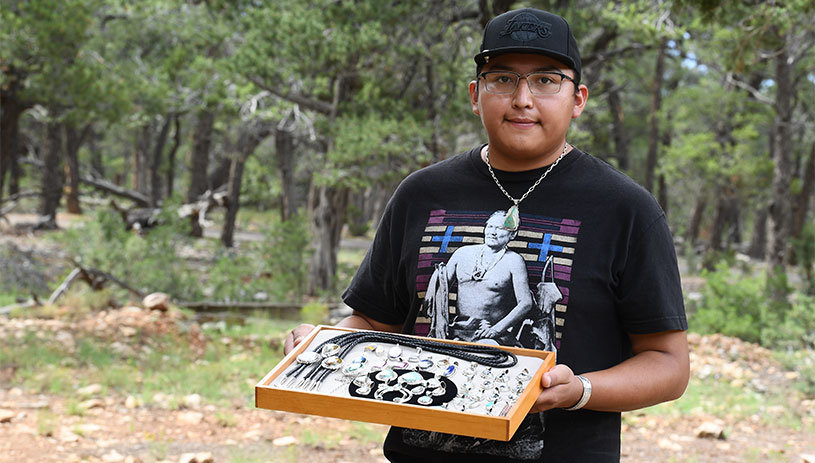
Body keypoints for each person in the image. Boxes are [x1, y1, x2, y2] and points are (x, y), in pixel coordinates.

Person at [285, 7, 689, 462]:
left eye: (546, 80)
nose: (522, 98)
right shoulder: (421, 194)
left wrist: (580, 390)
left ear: (578, 99)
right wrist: (322, 343)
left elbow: (669, 365)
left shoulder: (626, 209)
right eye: (502, 79)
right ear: (476, 95)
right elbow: (373, 322)